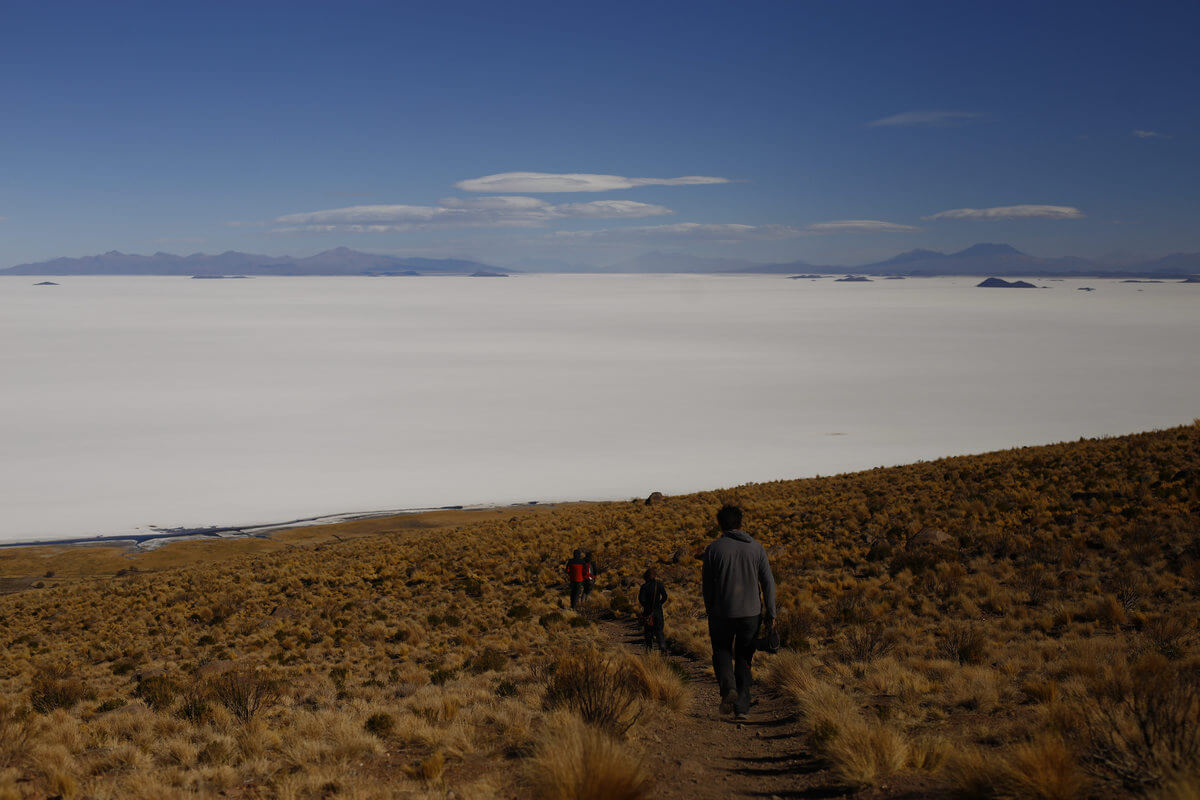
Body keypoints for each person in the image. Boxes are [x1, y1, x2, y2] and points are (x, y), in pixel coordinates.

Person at [702, 504, 776, 721]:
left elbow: (707, 585)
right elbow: (768, 582)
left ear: (721, 524)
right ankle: (742, 707)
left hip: (721, 613)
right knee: (744, 656)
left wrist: (710, 608)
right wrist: (771, 612)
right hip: (751, 613)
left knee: (722, 652)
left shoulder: (713, 549)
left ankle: (728, 689)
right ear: (740, 523)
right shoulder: (756, 548)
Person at [638, 567, 669, 651]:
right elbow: (665, 597)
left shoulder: (644, 586)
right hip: (658, 611)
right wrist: (659, 604)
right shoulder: (659, 584)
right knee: (659, 630)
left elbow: (641, 599)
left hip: (648, 612)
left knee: (648, 631)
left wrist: (646, 606)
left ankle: (649, 650)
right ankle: (662, 647)